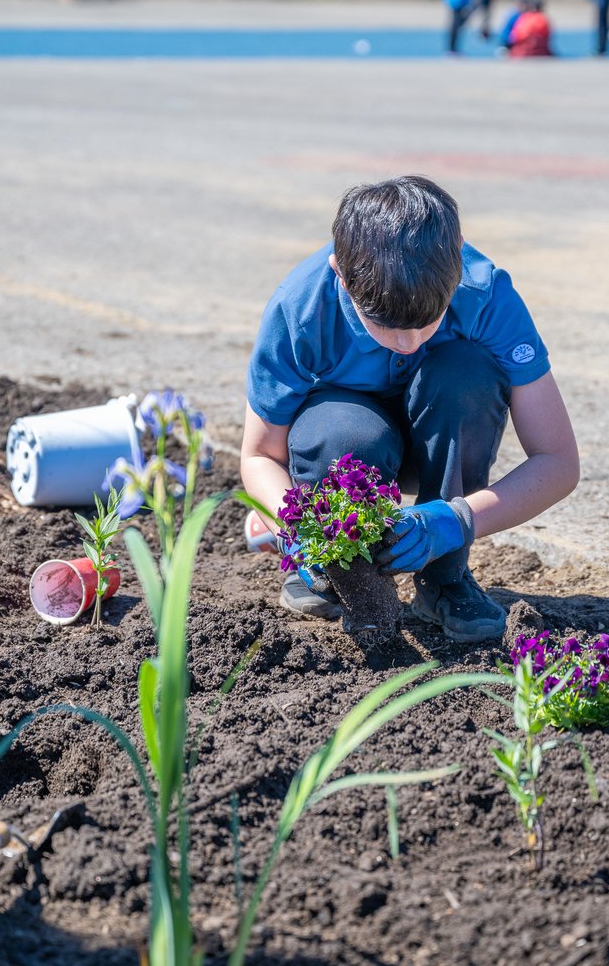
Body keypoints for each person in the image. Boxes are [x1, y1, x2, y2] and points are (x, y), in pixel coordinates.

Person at [240, 176, 580, 644]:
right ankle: (344, 575)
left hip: (439, 444)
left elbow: (558, 462)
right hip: (350, 446)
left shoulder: (486, 295)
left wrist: (456, 521)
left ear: (458, 257)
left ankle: (444, 576)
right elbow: (259, 457)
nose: (409, 344)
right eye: (383, 326)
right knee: (343, 428)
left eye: (428, 322)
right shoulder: (301, 310)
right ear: (340, 272)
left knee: (466, 375)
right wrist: (300, 528)